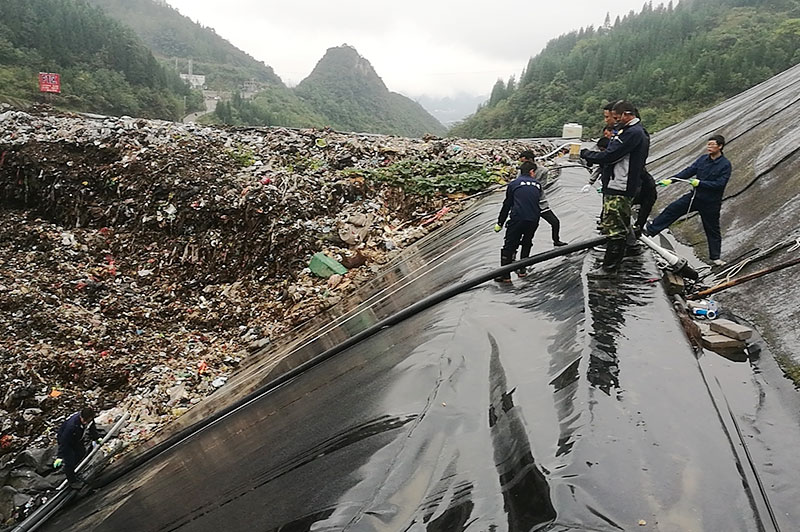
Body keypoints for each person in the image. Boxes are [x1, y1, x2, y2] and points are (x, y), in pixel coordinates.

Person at [580, 100, 649, 276]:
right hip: (618, 183)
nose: (614, 121)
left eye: (617, 117)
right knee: (620, 224)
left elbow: (611, 155)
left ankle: (610, 268)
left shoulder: (633, 133)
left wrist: (586, 154)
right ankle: (620, 257)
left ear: (627, 115)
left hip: (620, 185)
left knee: (615, 228)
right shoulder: (630, 131)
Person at [644, 134, 731, 266]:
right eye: (708, 144)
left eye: (712, 145)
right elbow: (688, 171)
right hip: (695, 197)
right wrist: (671, 180)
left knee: (712, 229)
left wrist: (700, 183)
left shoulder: (725, 165)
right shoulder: (703, 159)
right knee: (672, 209)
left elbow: (720, 184)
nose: (709, 147)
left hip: (711, 203)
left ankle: (715, 257)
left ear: (720, 146)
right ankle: (649, 231)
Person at [493, 161, 542, 282]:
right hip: (534, 219)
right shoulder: (537, 184)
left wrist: (500, 222)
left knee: (509, 245)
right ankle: (522, 270)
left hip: (518, 218)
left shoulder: (514, 184)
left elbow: (507, 204)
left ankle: (505, 276)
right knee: (527, 242)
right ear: (531, 172)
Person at [519, 150, 568, 247]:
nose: (523, 164)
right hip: (526, 204)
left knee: (555, 222)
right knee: (525, 227)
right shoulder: (522, 170)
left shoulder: (543, 171)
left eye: (524, 161)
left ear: (531, 160)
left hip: (539, 202)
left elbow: (542, 186)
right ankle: (521, 243)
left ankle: (556, 240)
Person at [53, 407, 100, 488]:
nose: (85, 422)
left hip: (77, 438)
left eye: (87, 421)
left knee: (81, 453)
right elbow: (64, 442)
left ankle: (72, 468)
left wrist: (96, 437)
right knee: (69, 461)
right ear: (80, 417)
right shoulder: (71, 426)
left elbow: (92, 427)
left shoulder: (89, 420)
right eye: (83, 420)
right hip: (67, 441)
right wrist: (60, 456)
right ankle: (72, 481)